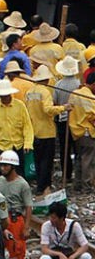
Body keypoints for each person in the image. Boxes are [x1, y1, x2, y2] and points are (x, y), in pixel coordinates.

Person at [24, 64, 69, 194]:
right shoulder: (45, 92)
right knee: (46, 162)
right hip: (46, 132)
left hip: (33, 131)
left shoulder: (29, 92)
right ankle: (44, 186)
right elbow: (48, 109)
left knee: (38, 160)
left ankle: (40, 184)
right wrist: (63, 108)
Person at [0, 79, 33, 172]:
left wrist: (28, 143)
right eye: (2, 96)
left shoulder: (20, 106)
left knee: (18, 173)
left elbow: (27, 126)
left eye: (6, 95)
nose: (4, 98)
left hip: (17, 145)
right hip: (0, 145)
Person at [0, 150, 32, 259]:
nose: (2, 168)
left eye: (5, 166)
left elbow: (28, 206)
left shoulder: (22, 184)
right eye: (1, 166)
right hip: (0, 218)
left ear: (13, 166)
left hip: (15, 220)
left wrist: (26, 228)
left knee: (16, 249)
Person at [54, 55, 81, 183]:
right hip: (77, 120)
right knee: (77, 149)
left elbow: (55, 102)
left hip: (62, 119)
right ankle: (79, 174)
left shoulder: (58, 84)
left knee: (65, 149)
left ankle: (67, 174)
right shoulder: (78, 85)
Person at [68, 71, 95, 192]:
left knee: (79, 158)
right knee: (88, 160)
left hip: (75, 132)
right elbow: (92, 116)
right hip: (87, 132)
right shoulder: (90, 98)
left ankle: (77, 184)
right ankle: (86, 186)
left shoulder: (74, 94)